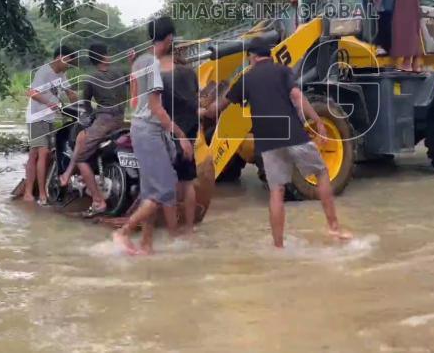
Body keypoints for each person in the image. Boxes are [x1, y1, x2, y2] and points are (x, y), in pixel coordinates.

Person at [203, 36, 351, 248]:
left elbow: (218, 108)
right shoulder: (282, 71)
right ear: (268, 54)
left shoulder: (247, 78)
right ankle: (334, 227)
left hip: (267, 141)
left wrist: (201, 110)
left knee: (277, 191)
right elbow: (297, 96)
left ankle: (278, 245)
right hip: (292, 134)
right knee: (321, 173)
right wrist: (317, 120)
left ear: (252, 57)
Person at [112, 16, 194, 255]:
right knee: (165, 189)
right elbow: (157, 108)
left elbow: (135, 97)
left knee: (150, 191)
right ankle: (124, 231)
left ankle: (146, 245)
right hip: (149, 130)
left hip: (140, 128)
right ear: (169, 39)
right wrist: (181, 136)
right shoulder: (153, 65)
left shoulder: (139, 61)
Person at [58, 42, 127, 217]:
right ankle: (71, 176)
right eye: (107, 52)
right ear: (105, 56)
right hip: (121, 120)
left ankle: (98, 201)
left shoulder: (91, 79)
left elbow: (86, 104)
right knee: (83, 136)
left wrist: (91, 115)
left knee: (81, 157)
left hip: (104, 122)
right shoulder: (119, 72)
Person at [24, 45, 76, 205]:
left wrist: (79, 103)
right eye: (68, 60)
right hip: (37, 116)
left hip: (49, 118)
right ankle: (42, 194)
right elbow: (32, 93)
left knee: (34, 155)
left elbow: (70, 93)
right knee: (44, 153)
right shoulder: (44, 72)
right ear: (59, 57)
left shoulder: (62, 74)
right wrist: (49, 104)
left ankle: (28, 192)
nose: (68, 65)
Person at [159, 46, 199, 235]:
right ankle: (190, 228)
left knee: (170, 181)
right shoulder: (191, 73)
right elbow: (195, 98)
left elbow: (160, 109)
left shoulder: (163, 76)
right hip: (191, 129)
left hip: (172, 130)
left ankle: (172, 231)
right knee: (188, 180)